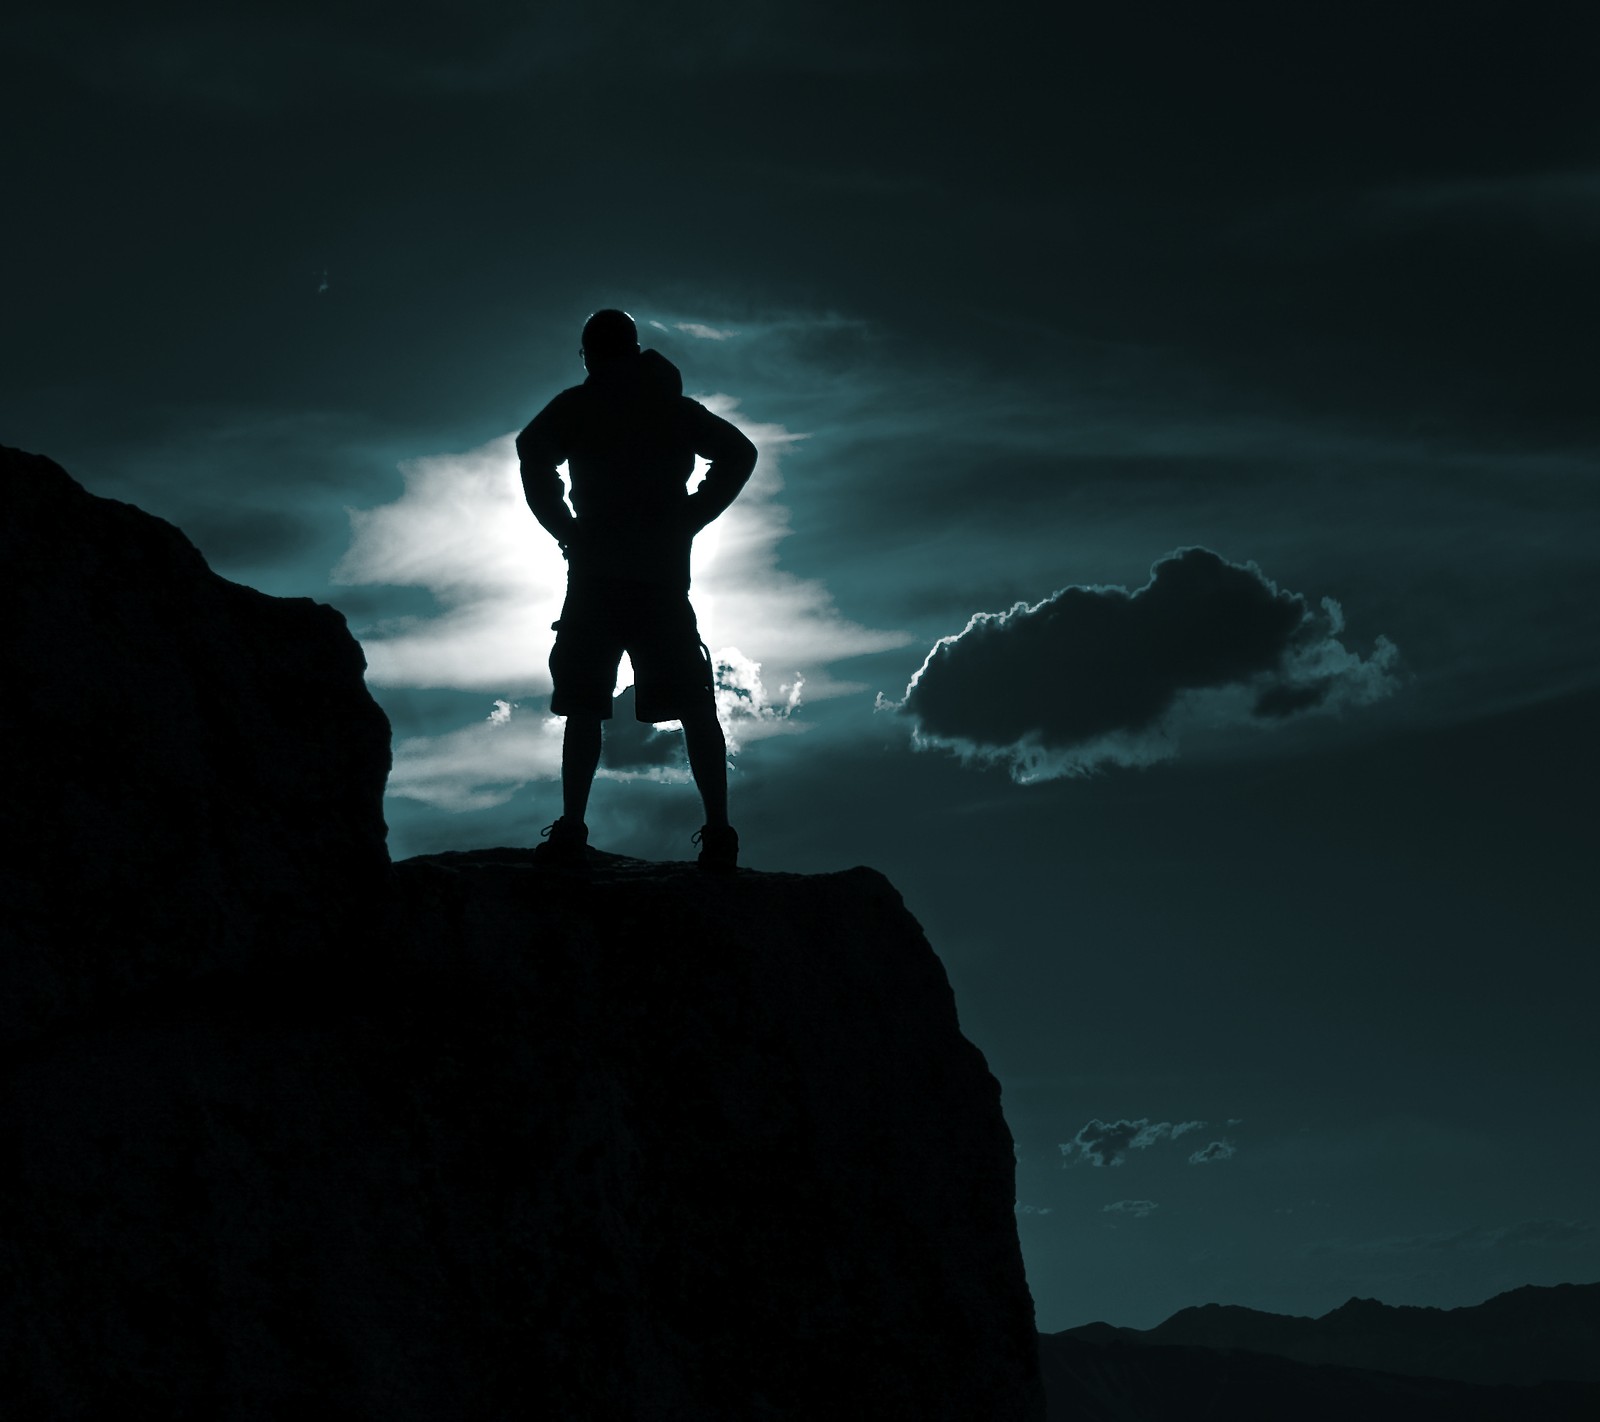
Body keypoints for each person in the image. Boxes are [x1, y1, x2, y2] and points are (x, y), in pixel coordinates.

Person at [516, 309, 757, 871]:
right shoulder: (671, 409)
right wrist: (691, 516)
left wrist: (564, 528)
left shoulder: (580, 407)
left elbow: (532, 452)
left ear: (589, 355)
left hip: (600, 579)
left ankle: (573, 828)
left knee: (584, 707)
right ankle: (718, 832)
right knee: (694, 706)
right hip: (658, 579)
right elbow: (739, 453)